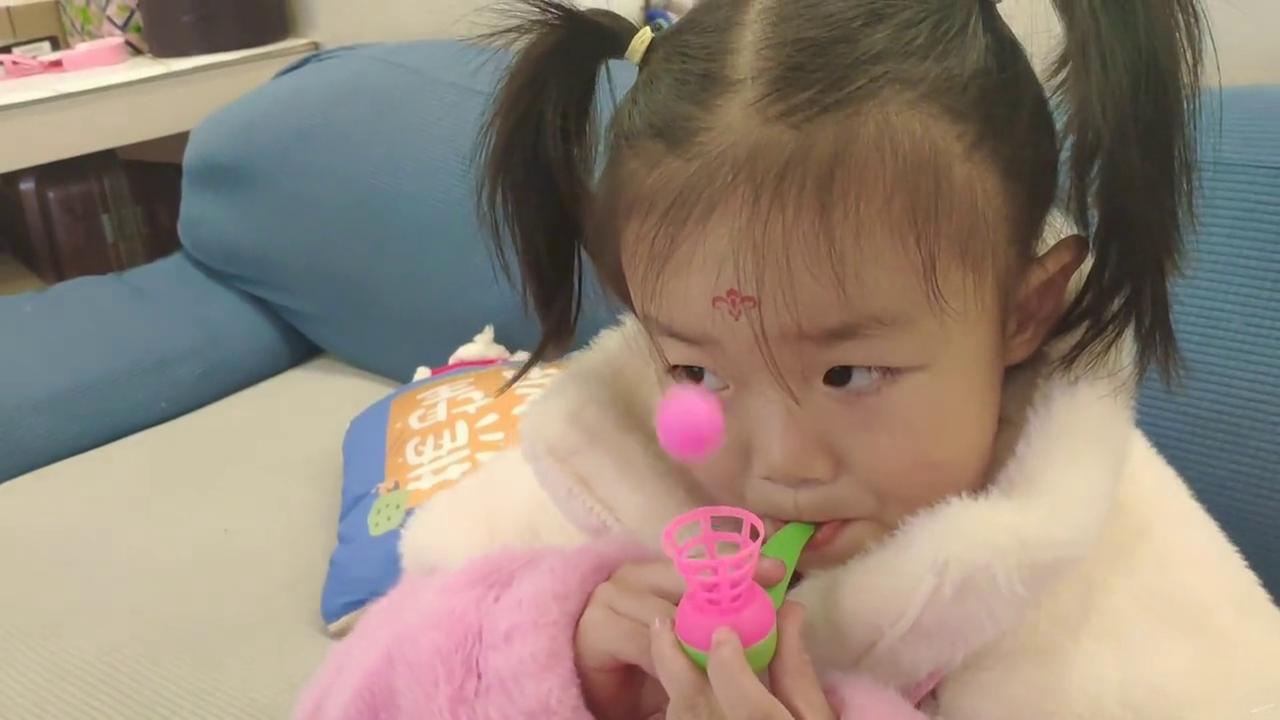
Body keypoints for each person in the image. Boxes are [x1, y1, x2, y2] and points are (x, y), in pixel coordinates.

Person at [295, 0, 1280, 717]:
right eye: (699, 374)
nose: (777, 466)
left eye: (849, 375)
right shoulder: (595, 478)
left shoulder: (1135, 611)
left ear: (1023, 311)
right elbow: (353, 692)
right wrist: (548, 654)